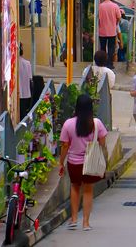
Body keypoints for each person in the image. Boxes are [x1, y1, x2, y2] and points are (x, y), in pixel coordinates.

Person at [59, 94, 108, 230]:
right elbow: (103, 142)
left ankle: (74, 219)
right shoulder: (96, 123)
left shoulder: (68, 124)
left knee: (75, 187)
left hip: (74, 163)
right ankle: (86, 223)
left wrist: (61, 162)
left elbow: (64, 146)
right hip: (90, 162)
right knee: (88, 191)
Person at [98, 0, 121, 68]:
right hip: (112, 31)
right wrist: (115, 23)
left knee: (103, 48)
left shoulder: (100, 6)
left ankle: (103, 63)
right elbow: (119, 17)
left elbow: (97, 19)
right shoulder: (115, 6)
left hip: (102, 31)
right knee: (111, 48)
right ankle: (110, 64)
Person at [18, 44, 33, 118]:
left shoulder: (15, 64)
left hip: (18, 94)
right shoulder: (27, 63)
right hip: (26, 93)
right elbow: (30, 79)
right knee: (24, 115)